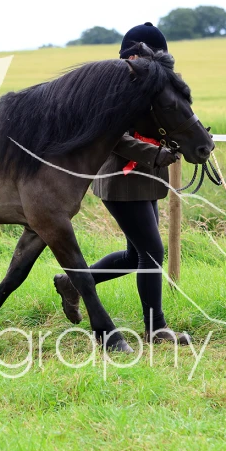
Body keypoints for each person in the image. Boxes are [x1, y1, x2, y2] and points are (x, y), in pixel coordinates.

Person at [53, 22, 193, 345]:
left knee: (135, 255)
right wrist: (154, 154)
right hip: (120, 178)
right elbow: (115, 138)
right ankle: (156, 329)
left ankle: (73, 284)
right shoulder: (115, 86)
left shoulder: (149, 84)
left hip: (144, 176)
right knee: (152, 251)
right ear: (136, 56)